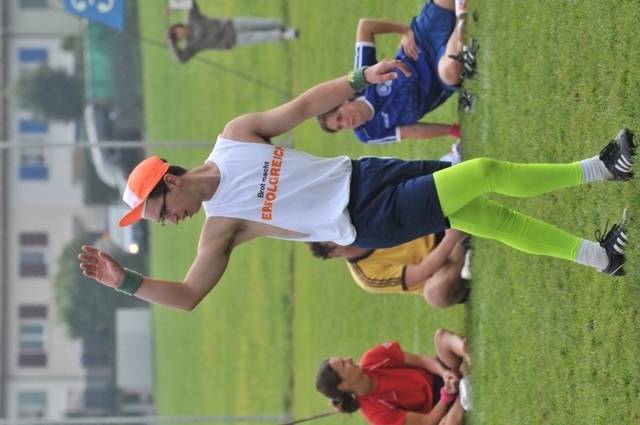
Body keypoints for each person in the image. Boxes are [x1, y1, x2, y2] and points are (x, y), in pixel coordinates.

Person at [78, 57, 634, 311]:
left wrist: (358, 78)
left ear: (169, 179)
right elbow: (188, 296)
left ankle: (599, 257)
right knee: (483, 174)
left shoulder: (235, 136)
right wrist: (126, 282)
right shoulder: (220, 229)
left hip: (366, 174)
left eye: (162, 211)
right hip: (367, 220)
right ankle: (604, 167)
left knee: (488, 217)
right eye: (162, 223)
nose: (171, 222)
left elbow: (302, 107)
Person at [316, 0, 474, 144]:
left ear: (344, 101)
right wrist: (454, 130)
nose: (346, 123)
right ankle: (460, 19)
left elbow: (365, 26)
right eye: (340, 127)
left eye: (340, 117)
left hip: (423, 40)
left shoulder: (360, 81)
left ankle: (458, 25)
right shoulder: (368, 133)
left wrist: (406, 31)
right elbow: (413, 131)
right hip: (439, 78)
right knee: (451, 70)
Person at [315, 328, 470, 425]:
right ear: (344, 385)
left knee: (440, 337)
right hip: (439, 406)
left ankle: (466, 353)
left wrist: (444, 373)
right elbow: (428, 420)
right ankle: (463, 390)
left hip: (438, 374)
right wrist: (446, 395)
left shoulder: (372, 357)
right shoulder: (375, 414)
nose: (349, 359)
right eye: (343, 364)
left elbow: (422, 361)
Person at [307, 229, 471, 308]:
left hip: (437, 229)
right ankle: (462, 243)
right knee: (435, 294)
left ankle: (463, 246)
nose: (336, 230)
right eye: (331, 237)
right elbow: (422, 271)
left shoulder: (361, 222)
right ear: (334, 252)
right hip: (441, 269)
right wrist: (451, 239)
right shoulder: (367, 276)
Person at [165, 0, 298, 64]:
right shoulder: (190, 46)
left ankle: (282, 29)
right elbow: (181, 59)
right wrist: (172, 44)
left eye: (177, 32)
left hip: (232, 25)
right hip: (231, 40)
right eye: (177, 38)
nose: (179, 35)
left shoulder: (192, 18)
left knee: (263, 24)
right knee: (258, 37)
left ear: (178, 26)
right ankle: (287, 35)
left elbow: (190, 2)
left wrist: (174, 6)